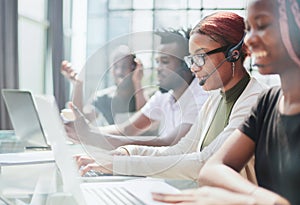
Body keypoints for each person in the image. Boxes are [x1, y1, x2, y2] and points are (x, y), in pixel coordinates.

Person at [76, 11, 267, 181]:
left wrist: (121, 165)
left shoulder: (254, 101)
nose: (193, 67)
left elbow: (206, 162)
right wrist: (127, 153)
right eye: (191, 59)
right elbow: (182, 150)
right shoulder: (216, 99)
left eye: (201, 57)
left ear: (232, 54)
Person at [153, 0, 300, 204]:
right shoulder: (268, 102)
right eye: (248, 30)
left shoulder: (254, 97)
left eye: (263, 26)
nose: (249, 41)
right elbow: (212, 168)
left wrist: (248, 200)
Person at [65, 28, 208, 148]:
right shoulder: (163, 96)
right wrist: (85, 131)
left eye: (165, 62)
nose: (158, 68)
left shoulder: (200, 97)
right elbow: (126, 129)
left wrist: (90, 136)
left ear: (187, 65)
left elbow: (170, 143)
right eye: (157, 62)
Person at [61, 45, 147, 125]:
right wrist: (78, 85)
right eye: (116, 67)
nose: (119, 72)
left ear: (134, 68)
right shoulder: (103, 98)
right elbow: (82, 120)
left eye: (124, 66)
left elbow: (146, 121)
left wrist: (137, 82)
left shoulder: (145, 96)